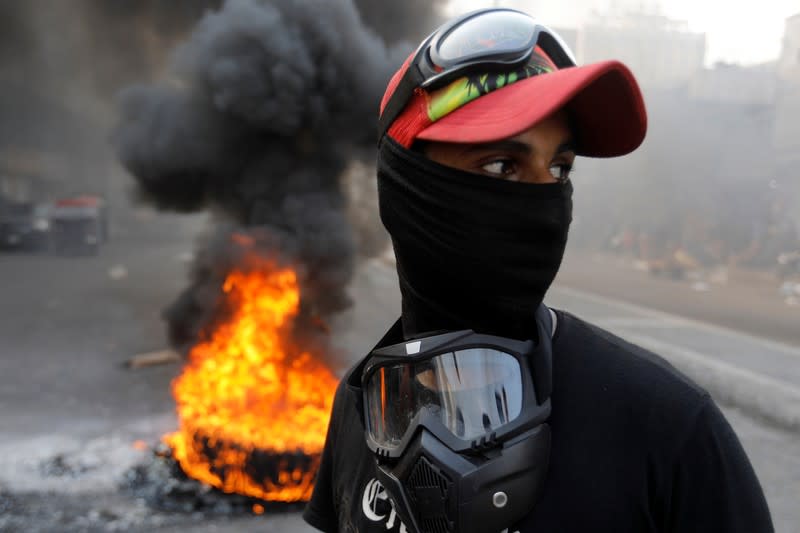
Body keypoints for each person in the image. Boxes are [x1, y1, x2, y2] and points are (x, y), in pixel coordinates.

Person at [303, 8, 773, 533]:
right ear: (407, 184)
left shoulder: (669, 430)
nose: (542, 203)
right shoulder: (360, 405)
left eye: (559, 168)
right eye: (502, 165)